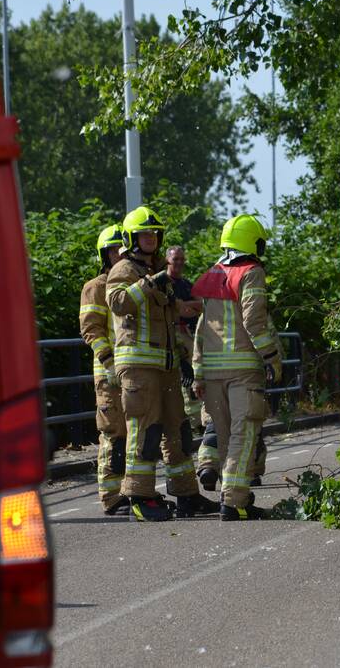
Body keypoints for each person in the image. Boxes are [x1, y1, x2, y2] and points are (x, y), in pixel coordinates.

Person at [105, 206, 219, 522]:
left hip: (166, 366)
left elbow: (176, 311)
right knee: (146, 430)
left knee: (178, 430)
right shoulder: (124, 270)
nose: (151, 239)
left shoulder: (155, 273)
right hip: (140, 368)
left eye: (155, 233)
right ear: (131, 237)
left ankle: (186, 495)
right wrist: (150, 283)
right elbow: (117, 303)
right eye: (145, 233)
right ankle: (139, 496)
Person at [191, 214, 282, 521]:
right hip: (244, 371)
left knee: (228, 437)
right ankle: (235, 502)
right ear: (253, 242)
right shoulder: (251, 272)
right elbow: (254, 321)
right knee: (243, 438)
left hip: (214, 374)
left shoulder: (213, 274)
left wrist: (199, 371)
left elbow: (202, 329)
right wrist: (271, 357)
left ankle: (231, 498)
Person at [79, 224, 129, 516]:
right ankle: (111, 497)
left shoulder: (130, 281)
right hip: (109, 374)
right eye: (113, 250)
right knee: (114, 434)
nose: (118, 254)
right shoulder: (95, 288)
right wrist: (110, 363)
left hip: (133, 371)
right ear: (104, 254)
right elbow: (92, 330)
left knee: (134, 434)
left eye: (122, 249)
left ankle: (129, 491)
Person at [166, 245, 204, 433]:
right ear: (167, 261)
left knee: (191, 379)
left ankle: (195, 424)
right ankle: (184, 424)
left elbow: (201, 305)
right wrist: (183, 307)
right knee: (177, 381)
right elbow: (173, 308)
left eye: (182, 259)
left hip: (188, 337)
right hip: (170, 338)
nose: (180, 262)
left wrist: (183, 305)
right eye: (176, 259)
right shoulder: (163, 283)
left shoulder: (187, 285)